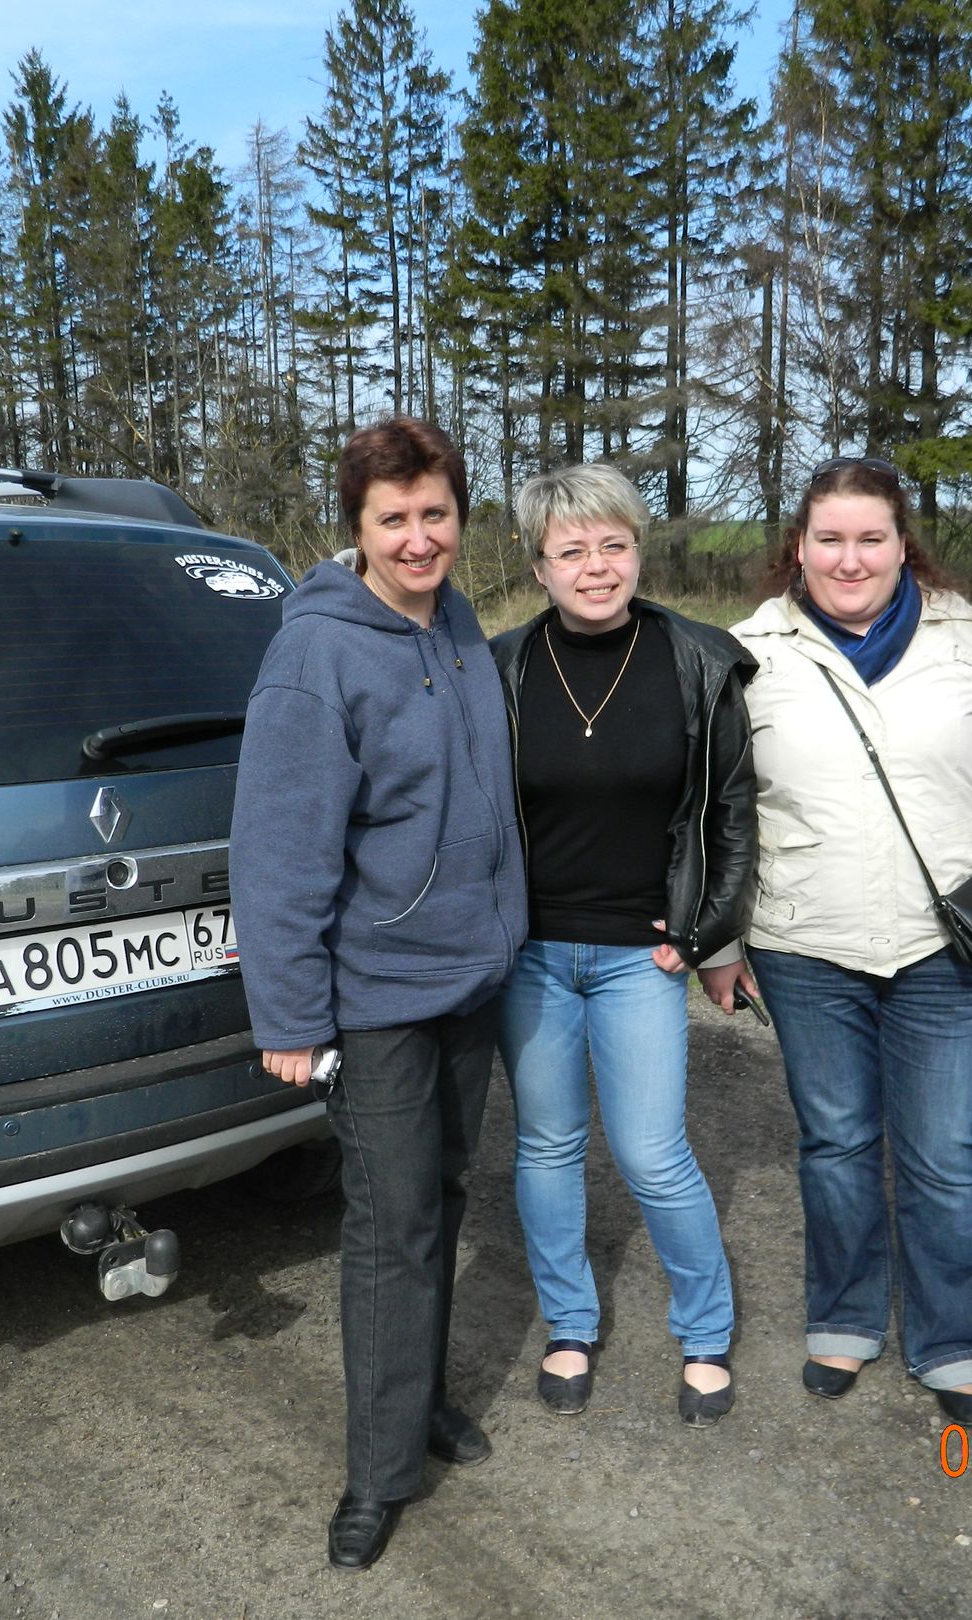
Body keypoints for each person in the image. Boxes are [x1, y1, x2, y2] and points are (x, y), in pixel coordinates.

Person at [230, 417, 528, 1570]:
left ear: (460, 515)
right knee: (391, 1226)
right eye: (392, 519)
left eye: (434, 514)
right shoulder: (315, 657)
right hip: (380, 993)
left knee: (442, 1197)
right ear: (355, 528)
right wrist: (290, 1016)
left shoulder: (455, 621)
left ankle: (420, 1397)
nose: (418, 539)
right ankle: (378, 1472)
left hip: (469, 974)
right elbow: (279, 851)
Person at [720, 457, 972, 1423]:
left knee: (941, 1151)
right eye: (830, 539)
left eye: (871, 538)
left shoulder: (970, 638)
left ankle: (950, 1341)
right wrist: (724, 937)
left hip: (944, 946)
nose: (850, 559)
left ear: (904, 544)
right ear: (799, 547)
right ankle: (846, 1317)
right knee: (837, 1144)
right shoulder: (749, 651)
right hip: (805, 943)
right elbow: (726, 808)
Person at [488, 463, 757, 1428]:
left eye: (614, 544)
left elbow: (731, 812)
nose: (596, 567)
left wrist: (708, 931)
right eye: (572, 551)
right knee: (547, 1146)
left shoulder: (698, 660)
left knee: (651, 1152)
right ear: (539, 567)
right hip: (532, 956)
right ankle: (570, 1325)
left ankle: (706, 1331)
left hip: (642, 959)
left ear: (638, 552)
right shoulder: (501, 668)